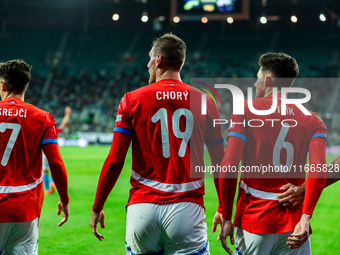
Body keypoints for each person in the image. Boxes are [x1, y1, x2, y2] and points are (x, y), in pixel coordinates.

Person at [90, 33, 225, 254]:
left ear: (159, 60)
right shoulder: (206, 101)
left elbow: (115, 160)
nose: (147, 64)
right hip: (187, 208)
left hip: (143, 208)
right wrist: (224, 209)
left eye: (150, 58)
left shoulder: (131, 100)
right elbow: (221, 163)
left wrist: (98, 206)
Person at [215, 53, 327, 255]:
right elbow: (318, 168)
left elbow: (229, 164)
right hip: (294, 225)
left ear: (267, 80)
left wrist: (225, 213)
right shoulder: (313, 120)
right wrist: (306, 217)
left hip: (255, 221)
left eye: (258, 77)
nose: (256, 83)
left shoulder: (245, 110)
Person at [0, 59, 70, 254]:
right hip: (25, 207)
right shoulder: (42, 117)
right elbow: (55, 161)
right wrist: (64, 199)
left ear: (3, 85)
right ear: (26, 86)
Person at [43, 106, 72, 195]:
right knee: (54, 169)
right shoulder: (55, 129)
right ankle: (53, 182)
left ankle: (47, 189)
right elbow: (64, 123)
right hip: (54, 152)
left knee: (45, 171)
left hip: (44, 153)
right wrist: (67, 114)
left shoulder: (42, 129)